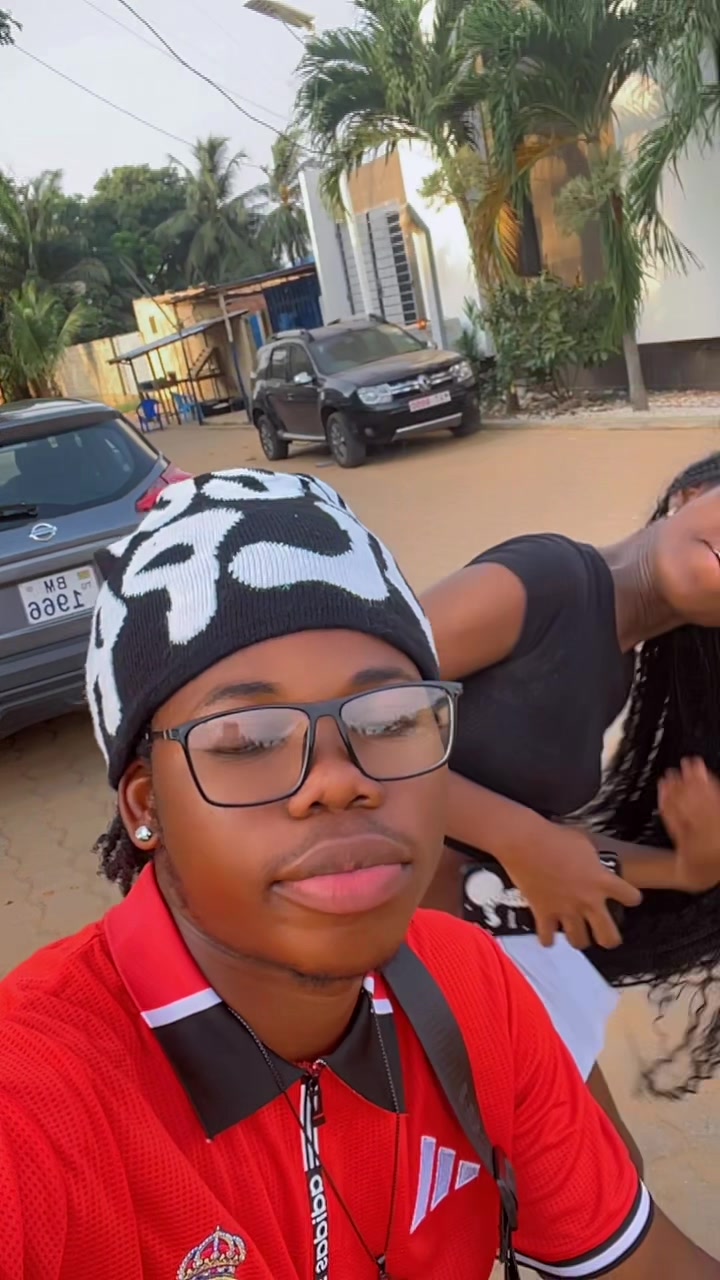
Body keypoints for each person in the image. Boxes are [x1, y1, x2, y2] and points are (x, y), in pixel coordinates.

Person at [0, 467, 717, 1279]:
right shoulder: (39, 1104)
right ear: (145, 807)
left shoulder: (474, 990)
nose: (341, 780)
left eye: (389, 721)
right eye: (248, 739)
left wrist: (680, 866)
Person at [421, 451, 720, 1157]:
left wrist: (688, 870)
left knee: (612, 1174)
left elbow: (545, 853)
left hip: (479, 958)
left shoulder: (614, 663)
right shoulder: (551, 578)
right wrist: (520, 837)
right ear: (689, 495)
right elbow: (335, 713)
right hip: (384, 956)